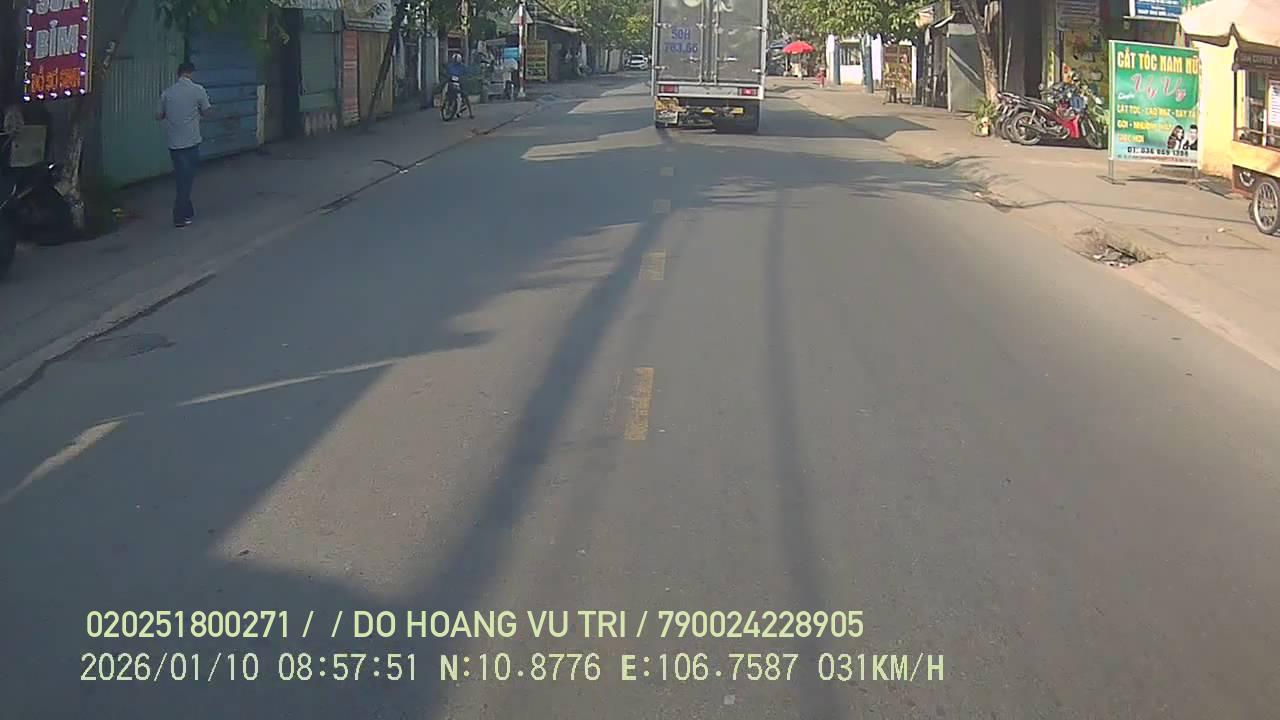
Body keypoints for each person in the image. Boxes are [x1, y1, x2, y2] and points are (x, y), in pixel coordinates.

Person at [155, 62, 212, 228]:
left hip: (174, 144)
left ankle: (187, 210)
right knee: (186, 180)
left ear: (178, 73)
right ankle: (179, 216)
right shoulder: (198, 90)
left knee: (182, 178)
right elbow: (207, 112)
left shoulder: (167, 93)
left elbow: (158, 116)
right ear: (191, 73)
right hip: (191, 142)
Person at [444, 53, 474, 118]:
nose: (455, 62)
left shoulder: (463, 67)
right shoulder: (450, 66)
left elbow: (468, 74)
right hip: (452, 83)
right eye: (454, 61)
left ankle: (470, 113)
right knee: (447, 94)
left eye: (456, 61)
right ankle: (446, 107)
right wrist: (447, 77)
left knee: (466, 96)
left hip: (460, 83)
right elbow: (447, 73)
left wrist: (466, 78)